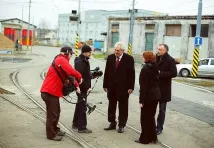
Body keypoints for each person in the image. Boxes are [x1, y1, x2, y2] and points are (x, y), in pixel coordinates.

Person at [40, 46, 83, 141]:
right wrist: (80, 77)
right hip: (50, 92)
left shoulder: (60, 60)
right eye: (71, 54)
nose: (71, 56)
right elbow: (71, 71)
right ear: (67, 53)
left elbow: (68, 76)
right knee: (52, 114)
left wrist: (76, 85)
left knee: (56, 111)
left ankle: (55, 129)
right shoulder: (61, 59)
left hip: (52, 92)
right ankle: (51, 134)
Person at [103, 42, 135, 133]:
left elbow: (131, 75)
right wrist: (105, 85)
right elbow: (107, 72)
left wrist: (131, 87)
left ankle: (121, 125)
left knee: (123, 107)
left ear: (123, 51)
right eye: (115, 50)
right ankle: (112, 122)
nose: (116, 52)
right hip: (111, 87)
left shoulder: (129, 59)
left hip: (124, 87)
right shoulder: (110, 58)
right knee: (111, 106)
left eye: (118, 50)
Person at [135, 51, 161, 144]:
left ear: (146, 58)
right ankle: (153, 137)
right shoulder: (155, 66)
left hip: (148, 96)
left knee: (145, 118)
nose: (142, 58)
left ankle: (144, 139)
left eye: (143, 57)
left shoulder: (145, 69)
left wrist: (141, 100)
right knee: (151, 117)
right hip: (156, 95)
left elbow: (144, 86)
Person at [156, 44, 177, 135]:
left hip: (164, 89)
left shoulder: (170, 60)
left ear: (165, 50)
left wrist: (161, 73)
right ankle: (151, 126)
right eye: (158, 49)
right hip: (155, 88)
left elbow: (174, 73)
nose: (158, 51)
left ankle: (159, 128)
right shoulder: (156, 57)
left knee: (162, 110)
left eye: (160, 49)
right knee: (151, 108)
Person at [72, 45, 93, 133]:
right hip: (81, 88)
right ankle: (82, 127)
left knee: (79, 105)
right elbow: (80, 78)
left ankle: (76, 123)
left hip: (82, 88)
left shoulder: (84, 60)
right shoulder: (81, 62)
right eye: (89, 52)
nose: (90, 54)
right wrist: (86, 87)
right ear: (84, 52)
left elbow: (86, 75)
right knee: (82, 107)